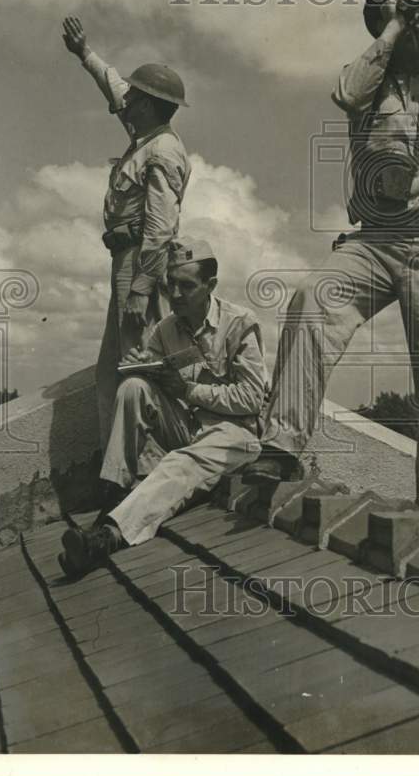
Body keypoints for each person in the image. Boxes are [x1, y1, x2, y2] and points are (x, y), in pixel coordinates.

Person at [245, 0, 419, 513]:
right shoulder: (369, 81)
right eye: (400, 18)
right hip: (376, 241)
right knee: (313, 302)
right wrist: (389, 31)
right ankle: (281, 445)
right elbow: (346, 93)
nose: (413, 27)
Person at [58, 238, 267, 577]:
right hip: (187, 426)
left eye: (187, 285)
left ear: (210, 285)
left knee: (179, 462)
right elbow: (153, 384)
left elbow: (252, 398)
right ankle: (113, 494)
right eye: (171, 285)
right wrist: (141, 367)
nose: (177, 294)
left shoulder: (240, 323)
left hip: (234, 434)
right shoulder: (166, 328)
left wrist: (189, 390)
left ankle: (106, 537)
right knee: (133, 388)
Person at [62, 16, 192, 452]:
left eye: (137, 95)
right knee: (111, 371)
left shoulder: (163, 150)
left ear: (150, 105)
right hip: (126, 260)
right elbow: (115, 86)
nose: (127, 99)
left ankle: (143, 472)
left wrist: (140, 287)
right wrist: (85, 54)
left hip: (140, 262)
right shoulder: (145, 136)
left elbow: (161, 227)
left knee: (137, 368)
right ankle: (120, 473)